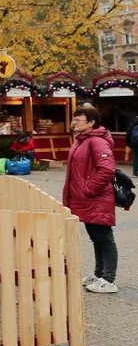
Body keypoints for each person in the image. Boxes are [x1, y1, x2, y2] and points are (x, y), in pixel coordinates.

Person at [63, 102, 118, 294]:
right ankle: (99, 273)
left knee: (104, 238)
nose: (74, 122)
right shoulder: (82, 139)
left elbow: (107, 170)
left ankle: (109, 279)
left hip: (96, 198)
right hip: (86, 199)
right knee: (96, 238)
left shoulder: (97, 141)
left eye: (78, 119)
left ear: (91, 122)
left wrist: (88, 190)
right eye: (74, 119)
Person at [128, 113, 138, 178]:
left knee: (135, 158)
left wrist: (129, 144)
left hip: (134, 144)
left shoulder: (132, 126)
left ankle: (134, 173)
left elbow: (128, 135)